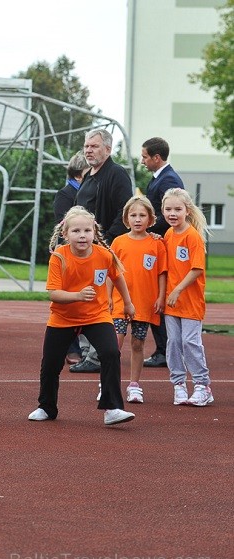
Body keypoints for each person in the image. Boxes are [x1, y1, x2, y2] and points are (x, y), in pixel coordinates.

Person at [27, 206, 136, 426]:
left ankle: (112, 408)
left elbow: (118, 278)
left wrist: (128, 302)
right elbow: (54, 294)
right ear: (65, 234)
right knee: (51, 364)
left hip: (96, 315)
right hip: (62, 317)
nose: (82, 235)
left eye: (87, 230)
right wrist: (77, 295)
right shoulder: (59, 257)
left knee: (110, 352)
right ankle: (46, 407)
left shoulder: (104, 255)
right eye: (76, 231)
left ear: (94, 232)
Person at [70, 128, 133, 374]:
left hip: (101, 250)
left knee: (100, 301)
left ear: (107, 149)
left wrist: (105, 240)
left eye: (94, 146)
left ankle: (96, 356)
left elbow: (123, 210)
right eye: (86, 146)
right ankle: (87, 351)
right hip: (83, 251)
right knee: (84, 299)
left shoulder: (116, 174)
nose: (88, 150)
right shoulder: (89, 176)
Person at [108, 196, 168, 404]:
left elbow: (162, 273)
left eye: (142, 215)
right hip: (119, 302)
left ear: (151, 219)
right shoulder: (118, 242)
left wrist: (161, 296)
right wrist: (107, 296)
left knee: (138, 343)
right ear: (126, 219)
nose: (137, 219)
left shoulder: (157, 244)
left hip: (144, 303)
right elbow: (111, 272)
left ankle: (134, 385)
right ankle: (108, 383)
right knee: (115, 342)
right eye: (133, 215)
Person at [161, 188, 213, 407]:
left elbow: (196, 269)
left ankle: (202, 385)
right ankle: (179, 385)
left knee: (190, 342)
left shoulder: (193, 236)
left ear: (187, 210)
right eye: (168, 209)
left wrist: (177, 290)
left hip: (189, 300)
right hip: (171, 303)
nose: (172, 213)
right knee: (173, 342)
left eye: (177, 209)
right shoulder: (168, 235)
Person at [140, 137, 185, 369]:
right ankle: (165, 349)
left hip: (165, 246)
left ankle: (165, 350)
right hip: (159, 243)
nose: (142, 161)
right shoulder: (159, 179)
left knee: (159, 296)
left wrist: (147, 230)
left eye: (145, 157)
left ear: (157, 158)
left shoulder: (169, 180)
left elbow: (170, 216)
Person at [54, 151, 90, 365]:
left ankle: (86, 346)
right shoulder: (65, 194)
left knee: (86, 299)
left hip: (87, 255)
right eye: (88, 173)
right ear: (78, 175)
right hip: (69, 255)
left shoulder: (88, 192)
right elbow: (61, 226)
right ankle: (71, 347)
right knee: (68, 300)